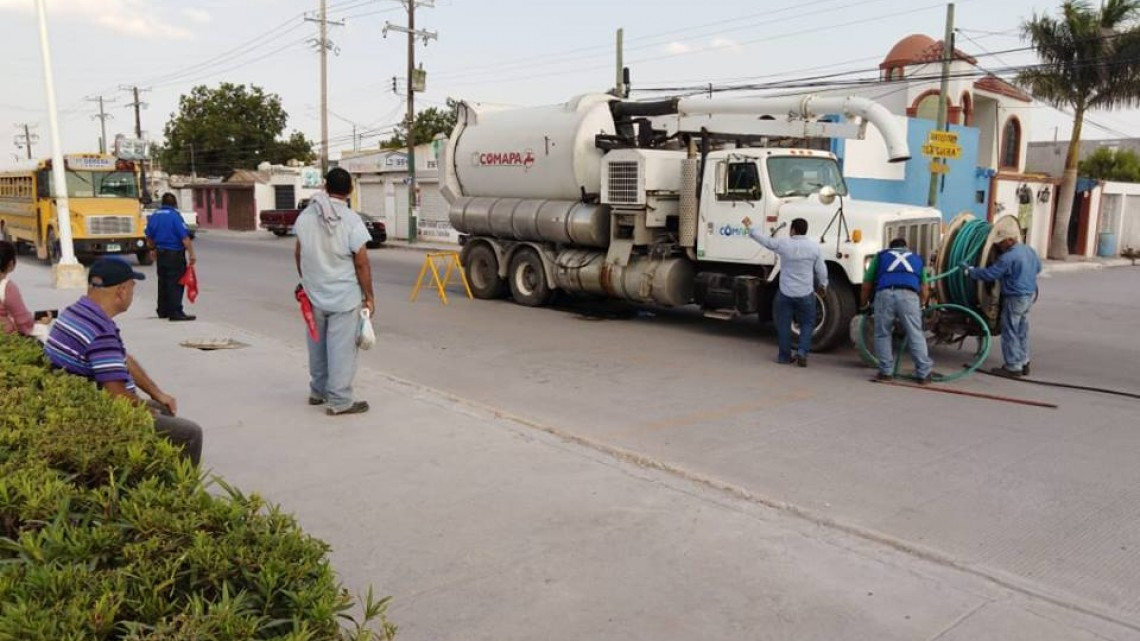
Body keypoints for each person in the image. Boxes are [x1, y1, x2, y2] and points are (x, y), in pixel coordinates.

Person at [44, 258, 203, 465]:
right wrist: (143, 409)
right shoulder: (100, 331)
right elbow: (118, 396)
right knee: (190, 434)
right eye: (132, 288)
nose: (132, 294)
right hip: (98, 414)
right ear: (121, 291)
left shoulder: (77, 311)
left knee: (162, 408)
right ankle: (181, 490)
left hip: (82, 401)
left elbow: (121, 357)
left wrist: (157, 393)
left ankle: (159, 469)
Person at [294, 167, 375, 416]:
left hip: (314, 294)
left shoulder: (307, 216)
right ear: (350, 190)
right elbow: (361, 261)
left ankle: (318, 392)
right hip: (343, 297)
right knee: (341, 350)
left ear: (325, 187)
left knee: (317, 345)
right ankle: (340, 401)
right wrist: (369, 296)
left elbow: (299, 253)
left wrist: (307, 281)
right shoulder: (351, 220)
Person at [741, 216, 828, 366]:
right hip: (805, 293)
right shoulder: (814, 248)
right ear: (805, 231)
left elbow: (766, 241)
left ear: (793, 230)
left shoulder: (784, 244)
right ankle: (802, 352)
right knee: (807, 323)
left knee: (784, 325)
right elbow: (821, 271)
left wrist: (750, 227)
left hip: (785, 293)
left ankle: (784, 357)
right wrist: (823, 285)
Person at [960, 229, 1042, 377]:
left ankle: (1013, 366)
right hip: (1028, 296)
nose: (999, 246)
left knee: (1010, 330)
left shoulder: (1008, 257)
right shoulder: (1029, 251)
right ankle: (1024, 362)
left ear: (1009, 240)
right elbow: (1038, 268)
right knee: (1021, 330)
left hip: (1014, 297)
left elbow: (991, 274)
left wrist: (970, 271)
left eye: (1001, 243)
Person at [861, 238, 933, 384]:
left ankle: (886, 372)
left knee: (883, 333)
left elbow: (866, 284)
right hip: (909, 295)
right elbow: (925, 288)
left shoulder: (881, 256)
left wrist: (863, 305)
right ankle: (923, 374)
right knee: (915, 334)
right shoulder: (917, 259)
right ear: (906, 248)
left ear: (890, 248)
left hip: (885, 294)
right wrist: (922, 304)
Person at [145, 192, 196, 321]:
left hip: (161, 254)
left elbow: (149, 237)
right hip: (174, 254)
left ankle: (163, 310)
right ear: (174, 204)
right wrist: (192, 254)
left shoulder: (154, 216)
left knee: (163, 282)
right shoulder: (175, 216)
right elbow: (184, 237)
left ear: (162, 203)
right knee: (176, 283)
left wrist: (152, 249)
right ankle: (175, 312)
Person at [0, 240, 36, 336]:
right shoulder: (7, 287)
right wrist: (38, 322)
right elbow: (23, 322)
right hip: (5, 341)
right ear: (11, 264)